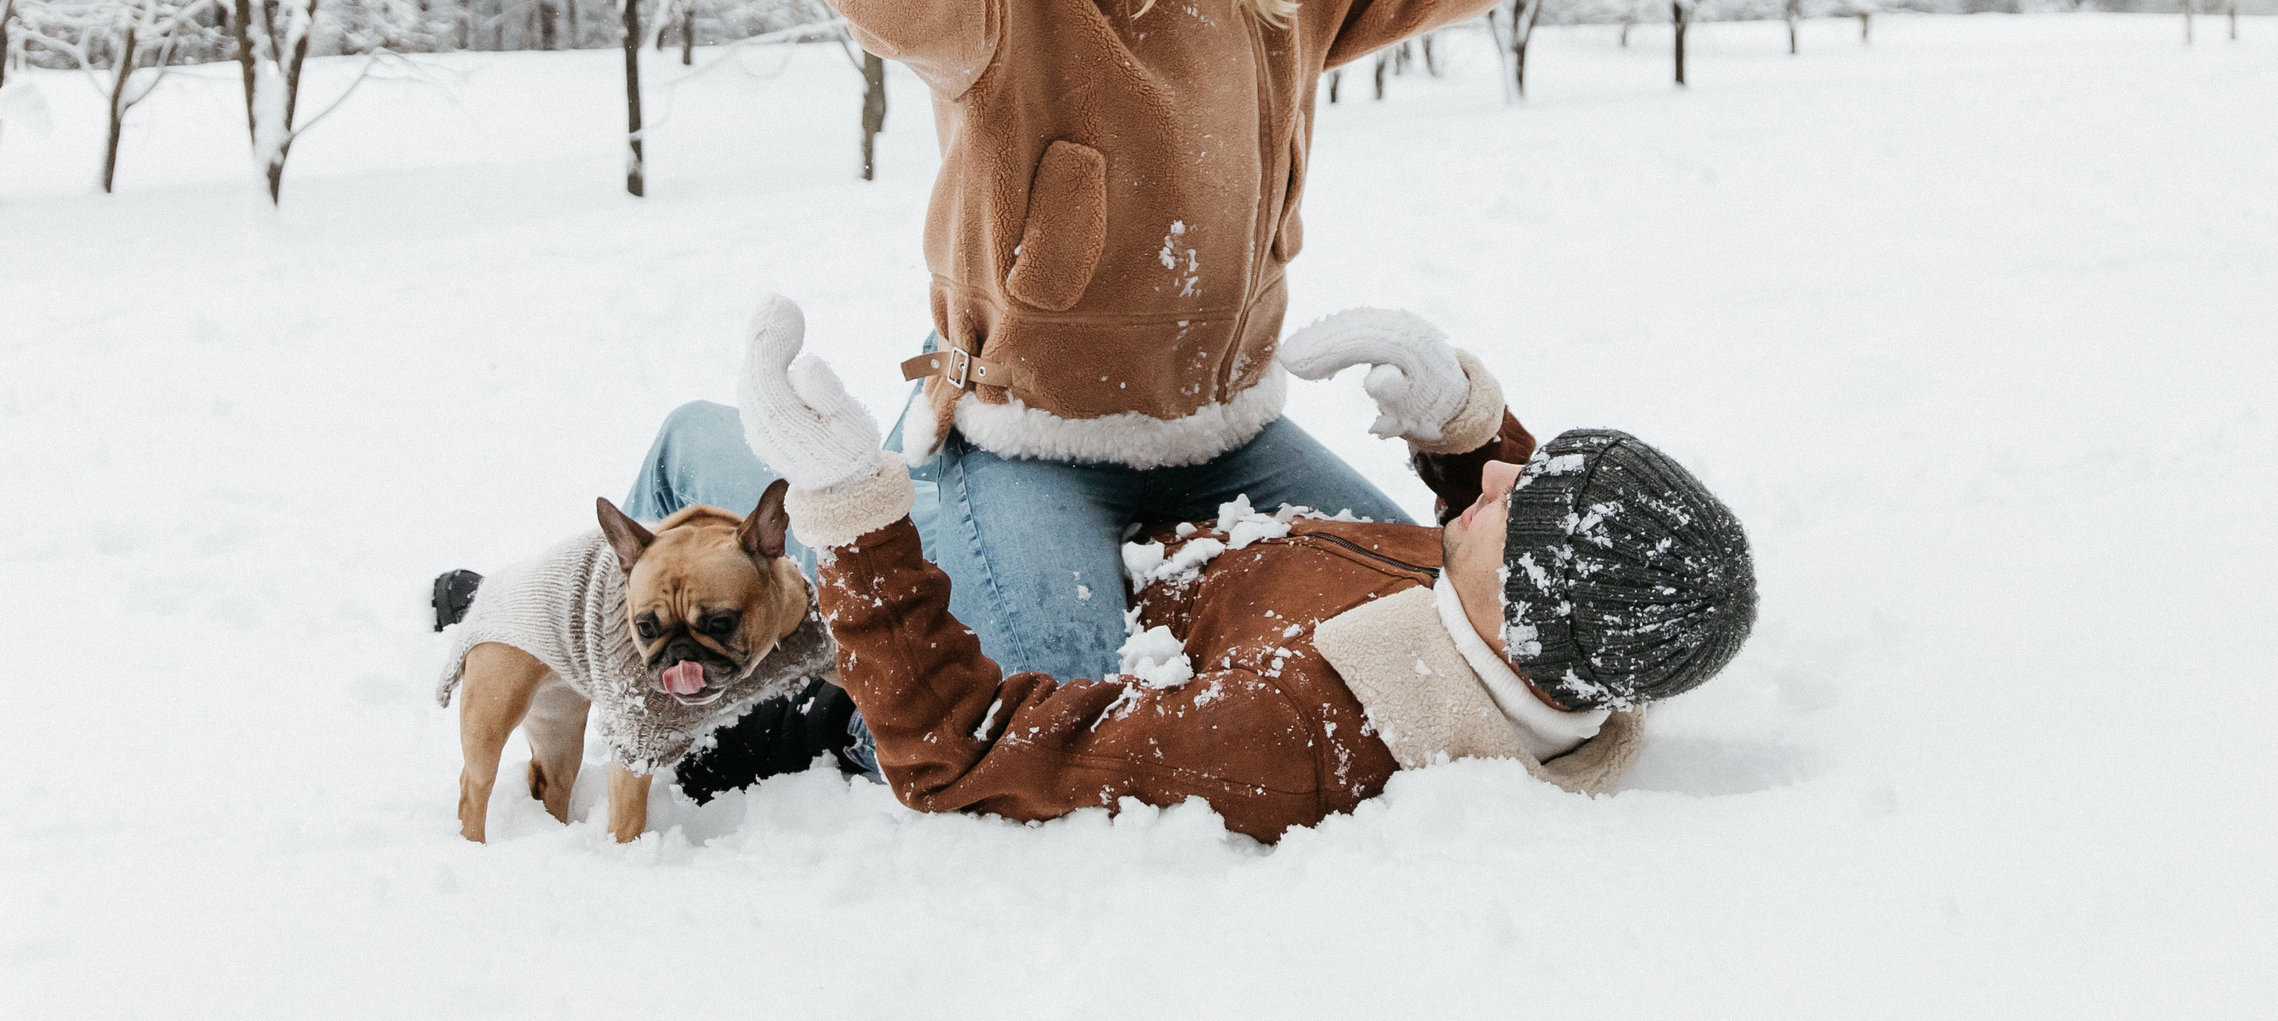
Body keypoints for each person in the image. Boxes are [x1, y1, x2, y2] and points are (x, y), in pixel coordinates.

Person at [735, 0, 1784, 684]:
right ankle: (745, 471)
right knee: (1052, 690)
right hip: (1029, 435)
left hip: (1222, 430)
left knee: (1434, 626)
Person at [678, 297, 1757, 842]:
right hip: (1209, 501)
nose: (1490, 484)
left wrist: (851, 515)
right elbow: (1525, 537)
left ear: (1523, 612)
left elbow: (962, 752)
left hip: (1104, 571)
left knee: (705, 440)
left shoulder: (1290, 735)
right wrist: (1460, 428)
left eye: (1505, 504)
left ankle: (603, 615)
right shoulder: (1541, 656)